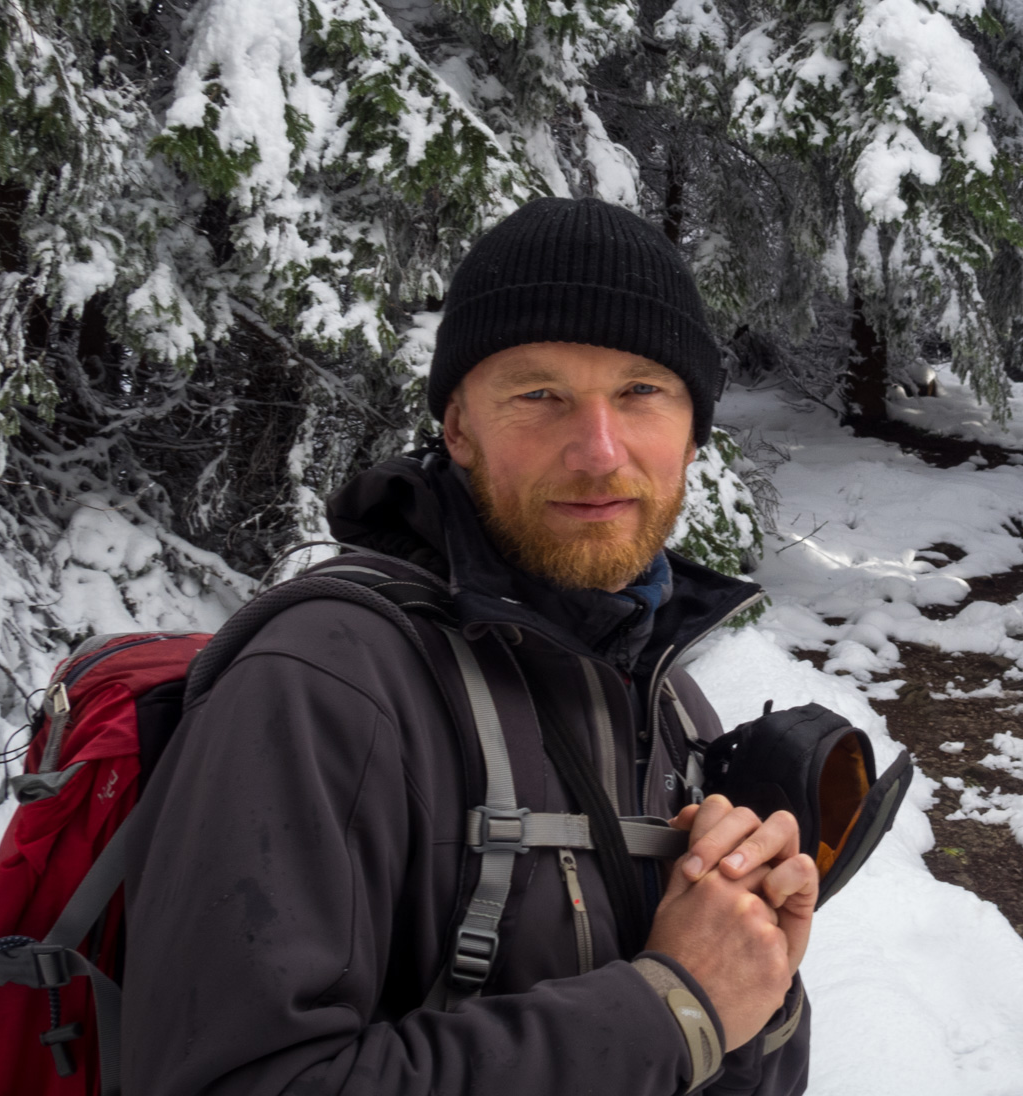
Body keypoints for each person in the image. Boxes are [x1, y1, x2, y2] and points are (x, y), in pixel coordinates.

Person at [122, 198, 813, 1096]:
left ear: (692, 431)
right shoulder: (324, 684)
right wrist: (675, 1008)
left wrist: (757, 978)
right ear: (457, 428)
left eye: (642, 391)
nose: (600, 451)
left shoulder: (660, 696)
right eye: (539, 395)